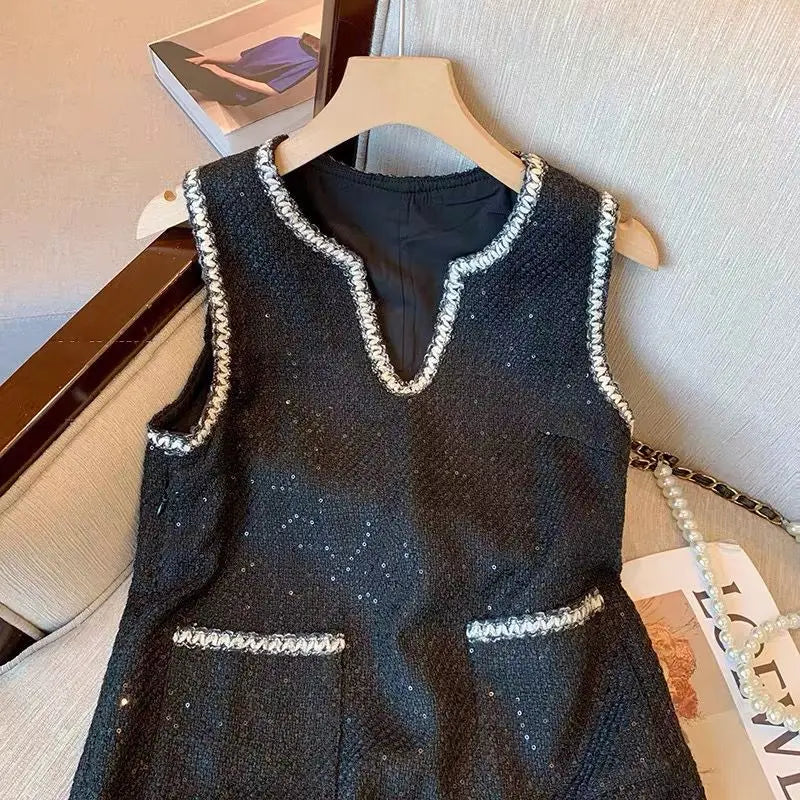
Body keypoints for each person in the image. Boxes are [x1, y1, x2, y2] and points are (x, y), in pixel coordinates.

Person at [151, 33, 320, 107]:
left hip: (236, 91)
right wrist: (208, 58)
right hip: (229, 72)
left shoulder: (309, 62)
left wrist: (224, 75)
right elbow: (242, 57)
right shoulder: (288, 40)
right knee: (164, 47)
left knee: (186, 70)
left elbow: (272, 90)